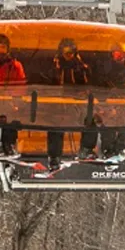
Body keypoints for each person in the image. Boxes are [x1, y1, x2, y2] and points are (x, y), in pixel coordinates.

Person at [47, 38, 90, 168]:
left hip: (76, 102)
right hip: (58, 102)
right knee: (56, 124)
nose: (68, 55)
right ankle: (54, 156)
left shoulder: (80, 67)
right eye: (65, 52)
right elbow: (47, 82)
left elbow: (88, 84)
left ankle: (86, 149)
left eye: (71, 52)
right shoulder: (55, 66)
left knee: (89, 119)